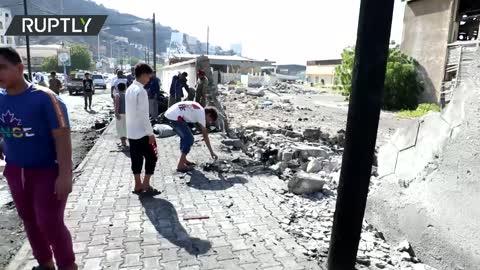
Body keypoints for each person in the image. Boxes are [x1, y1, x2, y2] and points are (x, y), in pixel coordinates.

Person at [0, 47, 77, 270]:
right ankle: (45, 264)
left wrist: (65, 175)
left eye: (3, 67)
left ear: (20, 68)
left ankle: (68, 265)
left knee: (49, 222)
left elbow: (62, 138)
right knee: (29, 220)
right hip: (16, 171)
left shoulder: (46, 98)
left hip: (47, 171)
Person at [125, 63, 160, 196]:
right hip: (142, 132)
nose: (149, 79)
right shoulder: (141, 92)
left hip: (131, 132)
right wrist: (150, 133)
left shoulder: (130, 89)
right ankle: (145, 183)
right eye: (149, 76)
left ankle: (137, 184)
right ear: (144, 74)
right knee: (152, 157)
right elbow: (144, 115)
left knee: (136, 158)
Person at [164, 101, 219, 172]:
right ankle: (180, 165)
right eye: (210, 120)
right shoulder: (201, 115)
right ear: (208, 114)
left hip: (171, 114)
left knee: (184, 137)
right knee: (189, 139)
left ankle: (184, 160)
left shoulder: (200, 109)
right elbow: (205, 135)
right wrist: (212, 152)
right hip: (174, 117)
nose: (209, 122)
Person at [114, 82, 128, 149]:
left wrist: (116, 113)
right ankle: (124, 142)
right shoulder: (127, 95)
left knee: (120, 128)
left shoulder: (118, 95)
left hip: (120, 114)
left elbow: (117, 105)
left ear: (118, 88)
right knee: (125, 128)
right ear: (125, 88)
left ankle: (123, 143)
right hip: (127, 114)